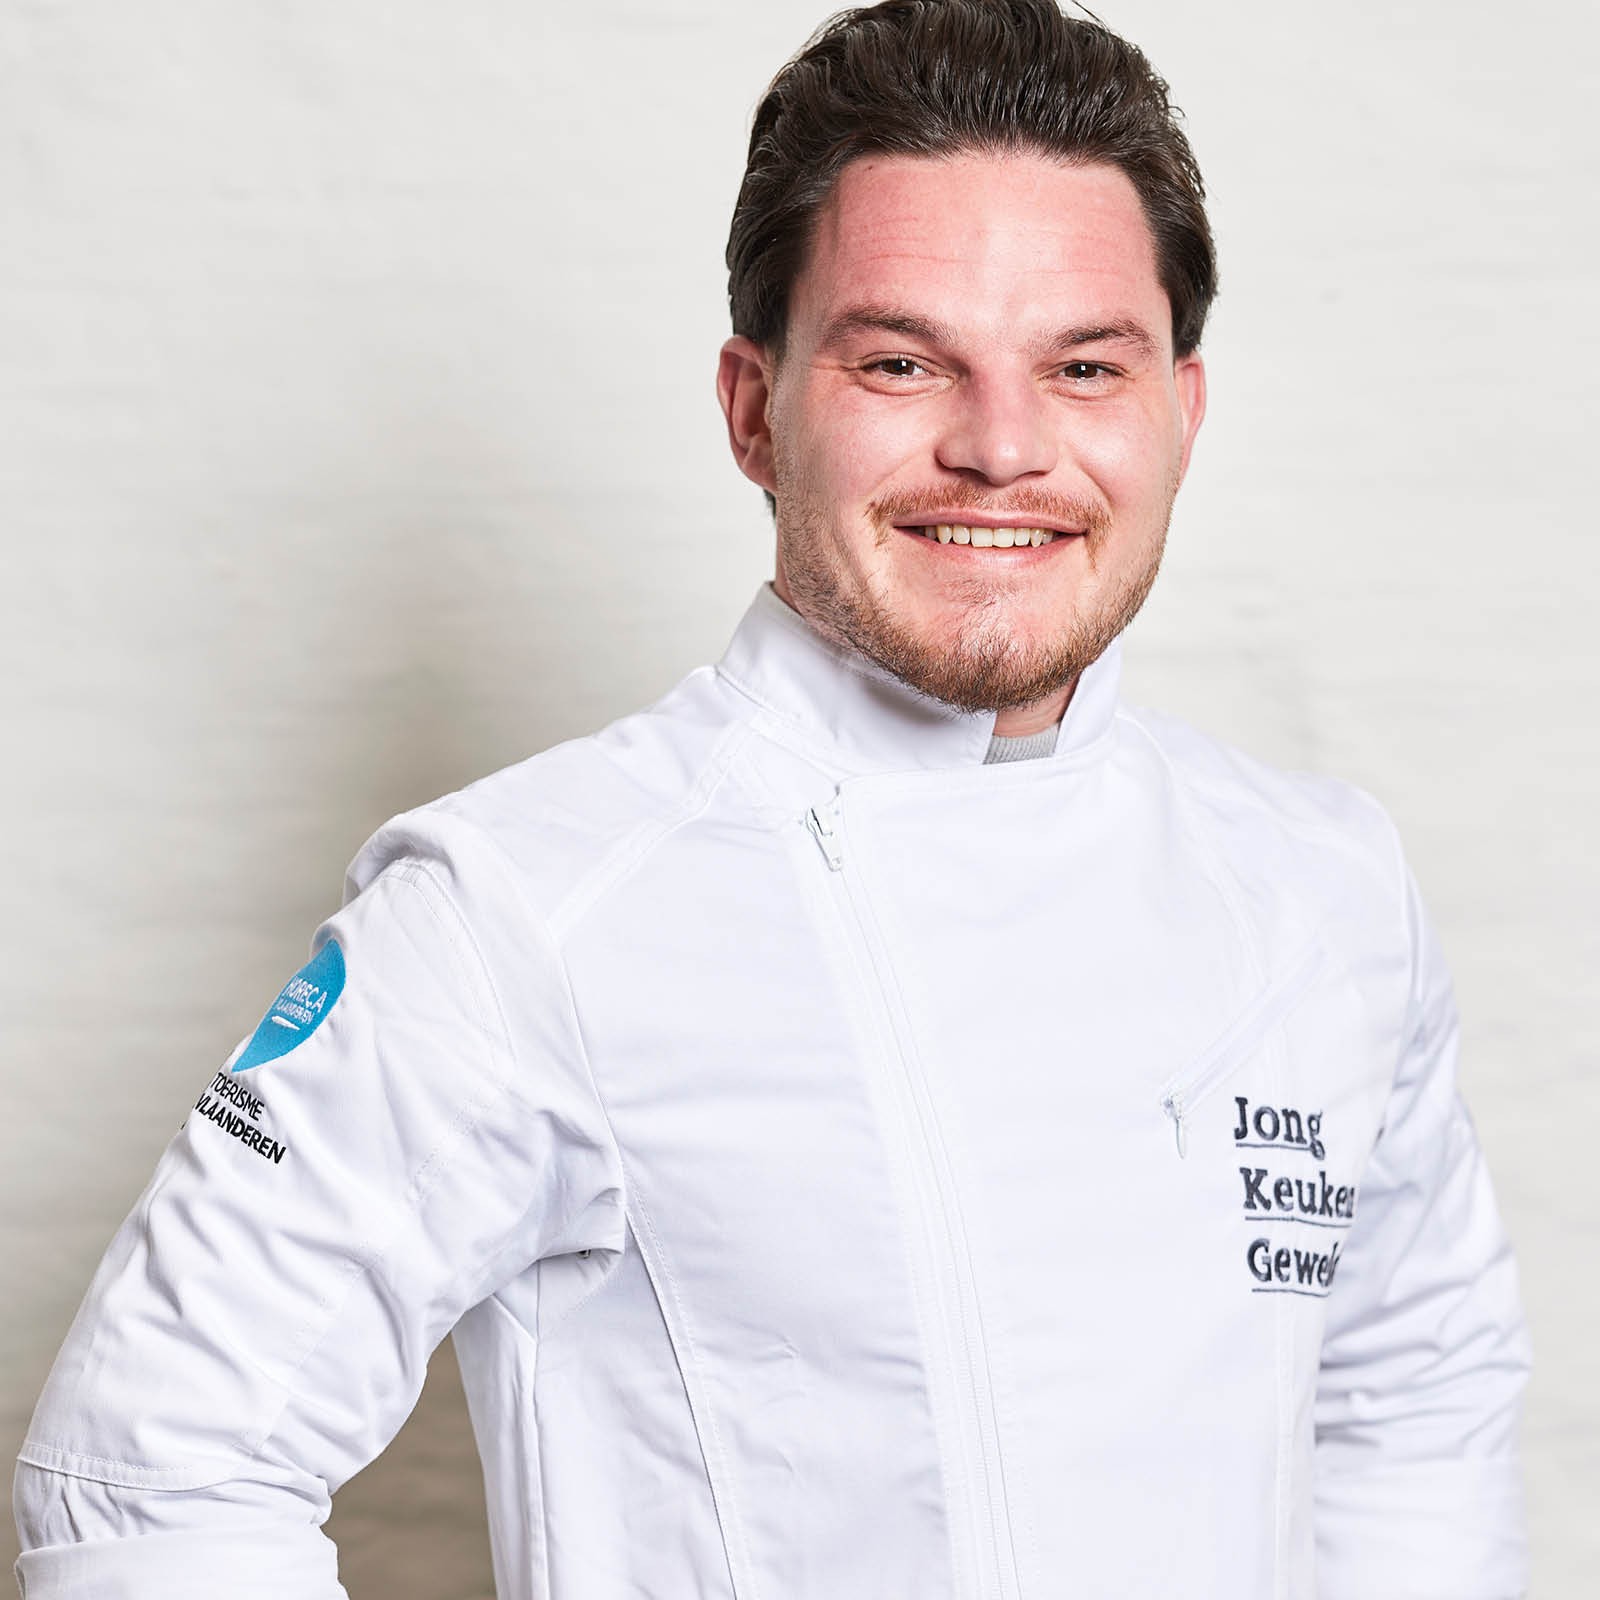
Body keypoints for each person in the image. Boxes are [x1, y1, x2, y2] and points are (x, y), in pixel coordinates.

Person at [13, 2, 1530, 1596]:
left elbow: (1415, 1401)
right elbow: (150, 1467)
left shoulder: (1323, 890)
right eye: (901, 362)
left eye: (1085, 367)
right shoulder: (519, 912)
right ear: (755, 410)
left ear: (1180, 415)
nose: (1002, 447)